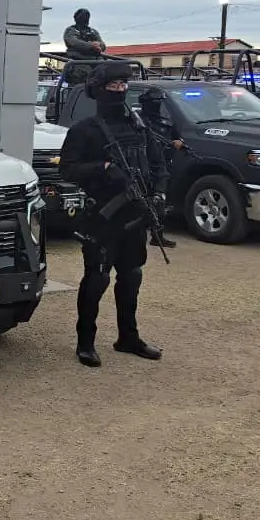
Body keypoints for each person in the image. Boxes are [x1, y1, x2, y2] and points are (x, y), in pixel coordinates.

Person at [58, 62, 166, 367]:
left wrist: (159, 194)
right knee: (97, 279)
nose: (119, 90)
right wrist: (103, 168)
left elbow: (158, 164)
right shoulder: (85, 130)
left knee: (131, 276)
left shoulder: (139, 125)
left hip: (135, 214)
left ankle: (128, 337)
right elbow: (66, 169)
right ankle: (85, 342)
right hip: (102, 217)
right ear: (98, 90)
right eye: (112, 86)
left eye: (123, 85)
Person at [136, 87, 183, 249]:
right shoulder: (138, 120)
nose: (156, 105)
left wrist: (178, 142)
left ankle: (158, 236)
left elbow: (176, 135)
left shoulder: (165, 119)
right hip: (143, 166)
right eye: (154, 102)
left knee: (160, 201)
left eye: (159, 102)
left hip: (162, 164)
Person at [59, 8, 107, 89]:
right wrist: (91, 45)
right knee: (81, 80)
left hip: (96, 62)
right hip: (78, 62)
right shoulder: (71, 30)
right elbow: (74, 42)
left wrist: (98, 45)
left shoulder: (93, 31)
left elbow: (103, 45)